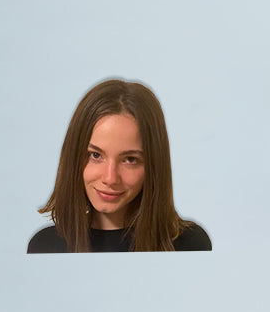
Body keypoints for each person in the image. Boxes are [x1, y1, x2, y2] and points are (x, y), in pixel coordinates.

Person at [27, 79, 211, 253]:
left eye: (130, 159)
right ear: (74, 157)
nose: (110, 178)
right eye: (96, 155)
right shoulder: (44, 246)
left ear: (154, 165)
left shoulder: (190, 244)